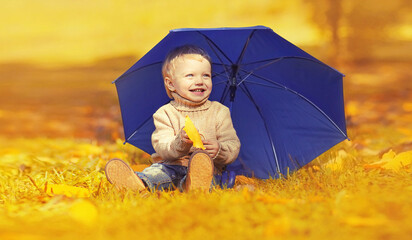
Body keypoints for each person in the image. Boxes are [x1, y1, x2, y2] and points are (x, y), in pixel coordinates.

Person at [105, 45, 240, 192]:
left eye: (206, 75)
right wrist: (180, 142)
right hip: (170, 166)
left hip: (207, 169)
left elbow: (232, 144)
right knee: (156, 174)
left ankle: (192, 185)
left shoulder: (219, 111)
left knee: (210, 179)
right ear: (171, 84)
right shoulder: (165, 113)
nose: (200, 81)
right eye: (190, 75)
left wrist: (219, 149)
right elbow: (162, 147)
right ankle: (138, 183)